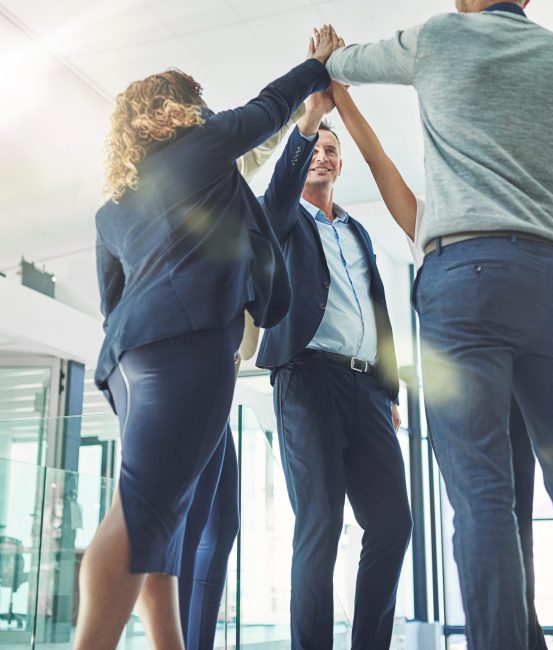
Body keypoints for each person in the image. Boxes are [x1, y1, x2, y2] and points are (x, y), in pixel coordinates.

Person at [326, 2, 553, 648]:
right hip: (552, 284)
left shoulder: (439, 37)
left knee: (482, 499)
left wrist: (330, 55)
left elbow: (342, 62)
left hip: (462, 282)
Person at [77, 29, 337, 649]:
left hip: (128, 366)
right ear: (178, 108)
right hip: (186, 349)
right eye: (196, 101)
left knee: (164, 519)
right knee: (140, 513)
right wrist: (316, 67)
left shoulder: (112, 208)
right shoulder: (202, 146)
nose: (205, 110)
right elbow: (272, 105)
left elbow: (112, 303)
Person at [330, 80, 547, 649]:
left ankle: (522, 632)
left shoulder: (511, 225)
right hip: (463, 400)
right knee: (477, 519)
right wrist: (342, 97)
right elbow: (376, 159)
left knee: (514, 522)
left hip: (516, 393)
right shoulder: (430, 225)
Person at [255, 55, 413, 650]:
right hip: (307, 379)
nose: (323, 155)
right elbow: (270, 202)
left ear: (341, 164)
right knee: (319, 524)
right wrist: (315, 112)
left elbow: (379, 312)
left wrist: (389, 390)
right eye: (315, 148)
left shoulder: (357, 231)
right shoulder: (285, 220)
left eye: (331, 151)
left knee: (394, 524)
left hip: (366, 390)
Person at [175, 101, 334, 650]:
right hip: (187, 373)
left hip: (220, 369)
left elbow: (257, 150)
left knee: (218, 531)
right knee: (191, 527)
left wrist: (305, 121)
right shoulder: (182, 188)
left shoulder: (225, 189)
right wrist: (307, 103)